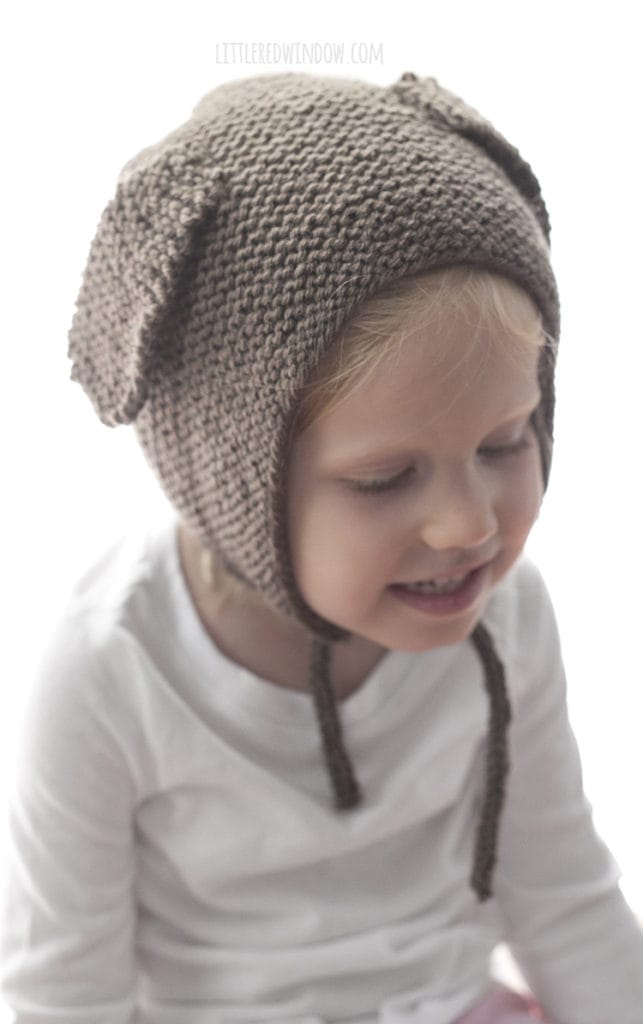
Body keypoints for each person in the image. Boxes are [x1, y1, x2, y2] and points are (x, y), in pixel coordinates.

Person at [1, 70, 642, 1024]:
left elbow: (562, 897)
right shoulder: (110, 669)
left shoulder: (506, 614)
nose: (467, 526)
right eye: (385, 480)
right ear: (231, 475)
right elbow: (63, 992)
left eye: (503, 443)